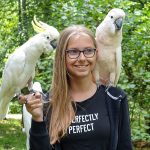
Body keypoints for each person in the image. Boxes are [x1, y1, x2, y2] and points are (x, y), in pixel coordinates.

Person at [19, 25, 133, 150]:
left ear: (96, 54)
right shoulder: (48, 104)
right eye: (73, 52)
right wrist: (37, 118)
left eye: (88, 51)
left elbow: (124, 145)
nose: (82, 58)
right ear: (62, 56)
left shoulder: (115, 98)